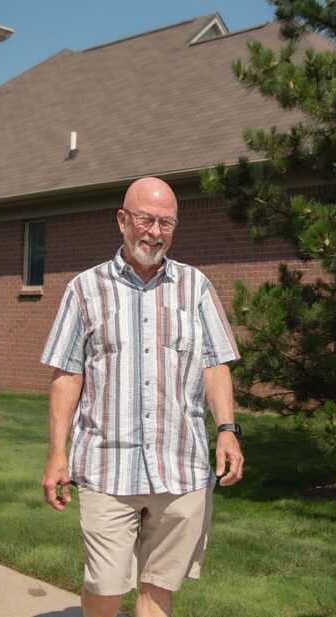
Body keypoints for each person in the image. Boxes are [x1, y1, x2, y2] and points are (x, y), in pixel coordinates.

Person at [41, 176, 244, 617]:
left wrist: (227, 431)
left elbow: (216, 364)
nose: (155, 232)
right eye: (145, 219)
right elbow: (66, 376)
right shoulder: (84, 289)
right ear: (122, 220)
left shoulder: (197, 288)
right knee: (104, 585)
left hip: (181, 467)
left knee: (159, 589)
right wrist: (57, 454)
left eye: (166, 222)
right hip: (107, 468)